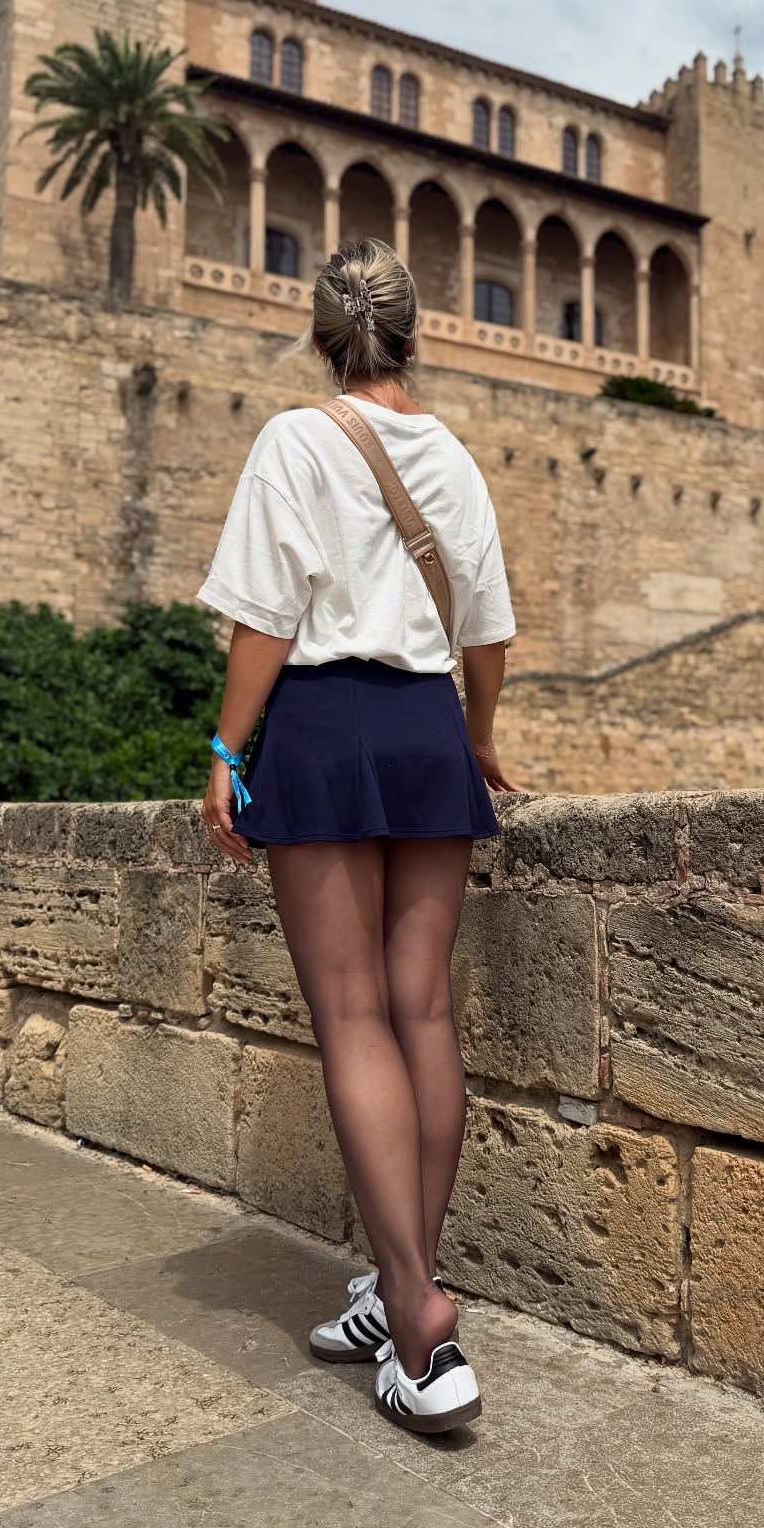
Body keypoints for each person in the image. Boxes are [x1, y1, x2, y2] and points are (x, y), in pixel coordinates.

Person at [195, 239, 519, 1437]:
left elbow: (265, 617)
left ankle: (421, 1317)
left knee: (352, 1018)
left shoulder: (297, 440)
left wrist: (227, 749)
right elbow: (487, 633)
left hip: (326, 727)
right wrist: (477, 738)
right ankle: (403, 1283)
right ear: (413, 333)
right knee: (421, 1012)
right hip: (429, 729)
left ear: (322, 337)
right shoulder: (457, 458)